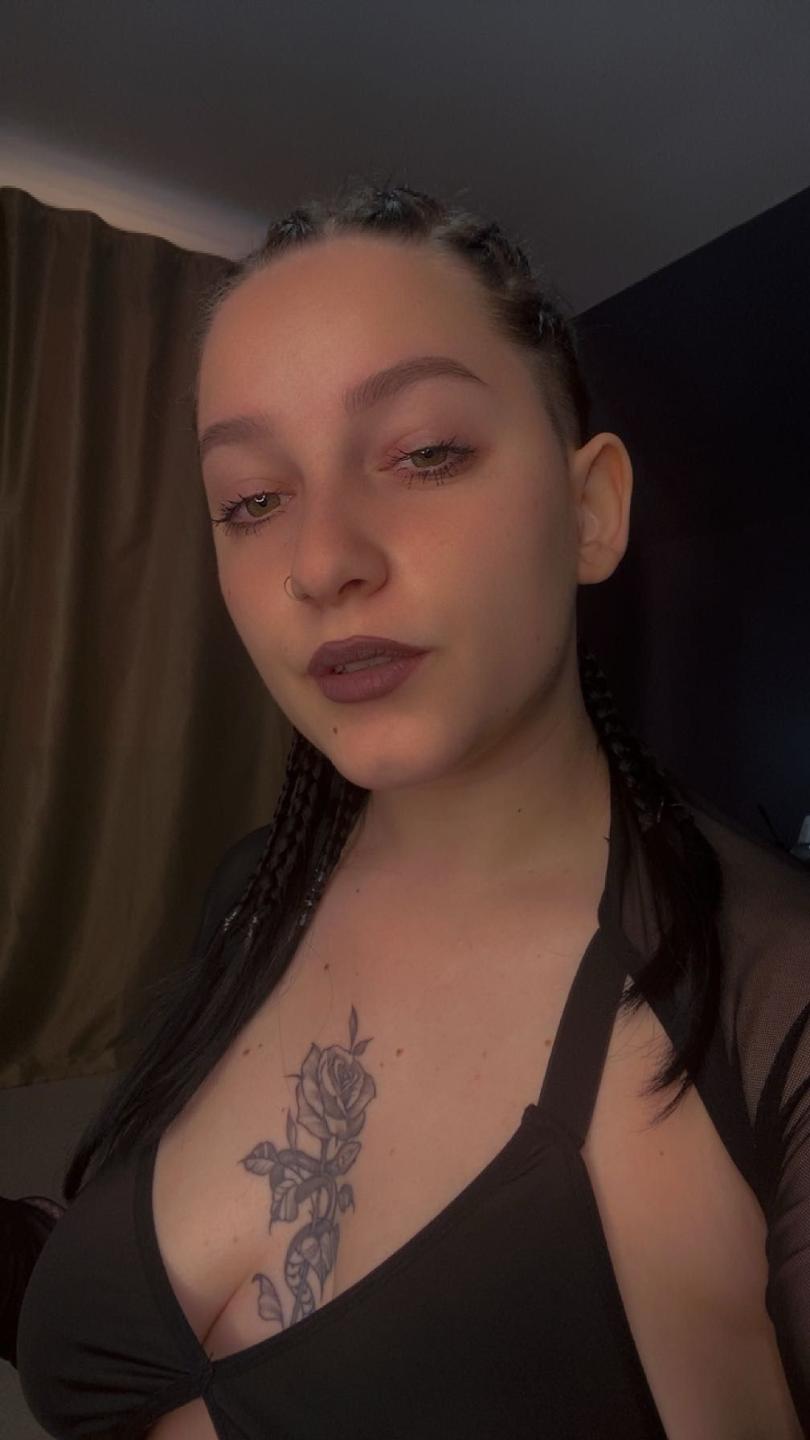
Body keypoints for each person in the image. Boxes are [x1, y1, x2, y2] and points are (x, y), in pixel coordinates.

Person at [6, 181, 809, 1438]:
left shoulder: (776, 1019)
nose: (322, 561)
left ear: (591, 509)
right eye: (252, 500)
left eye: (424, 453)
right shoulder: (255, 891)